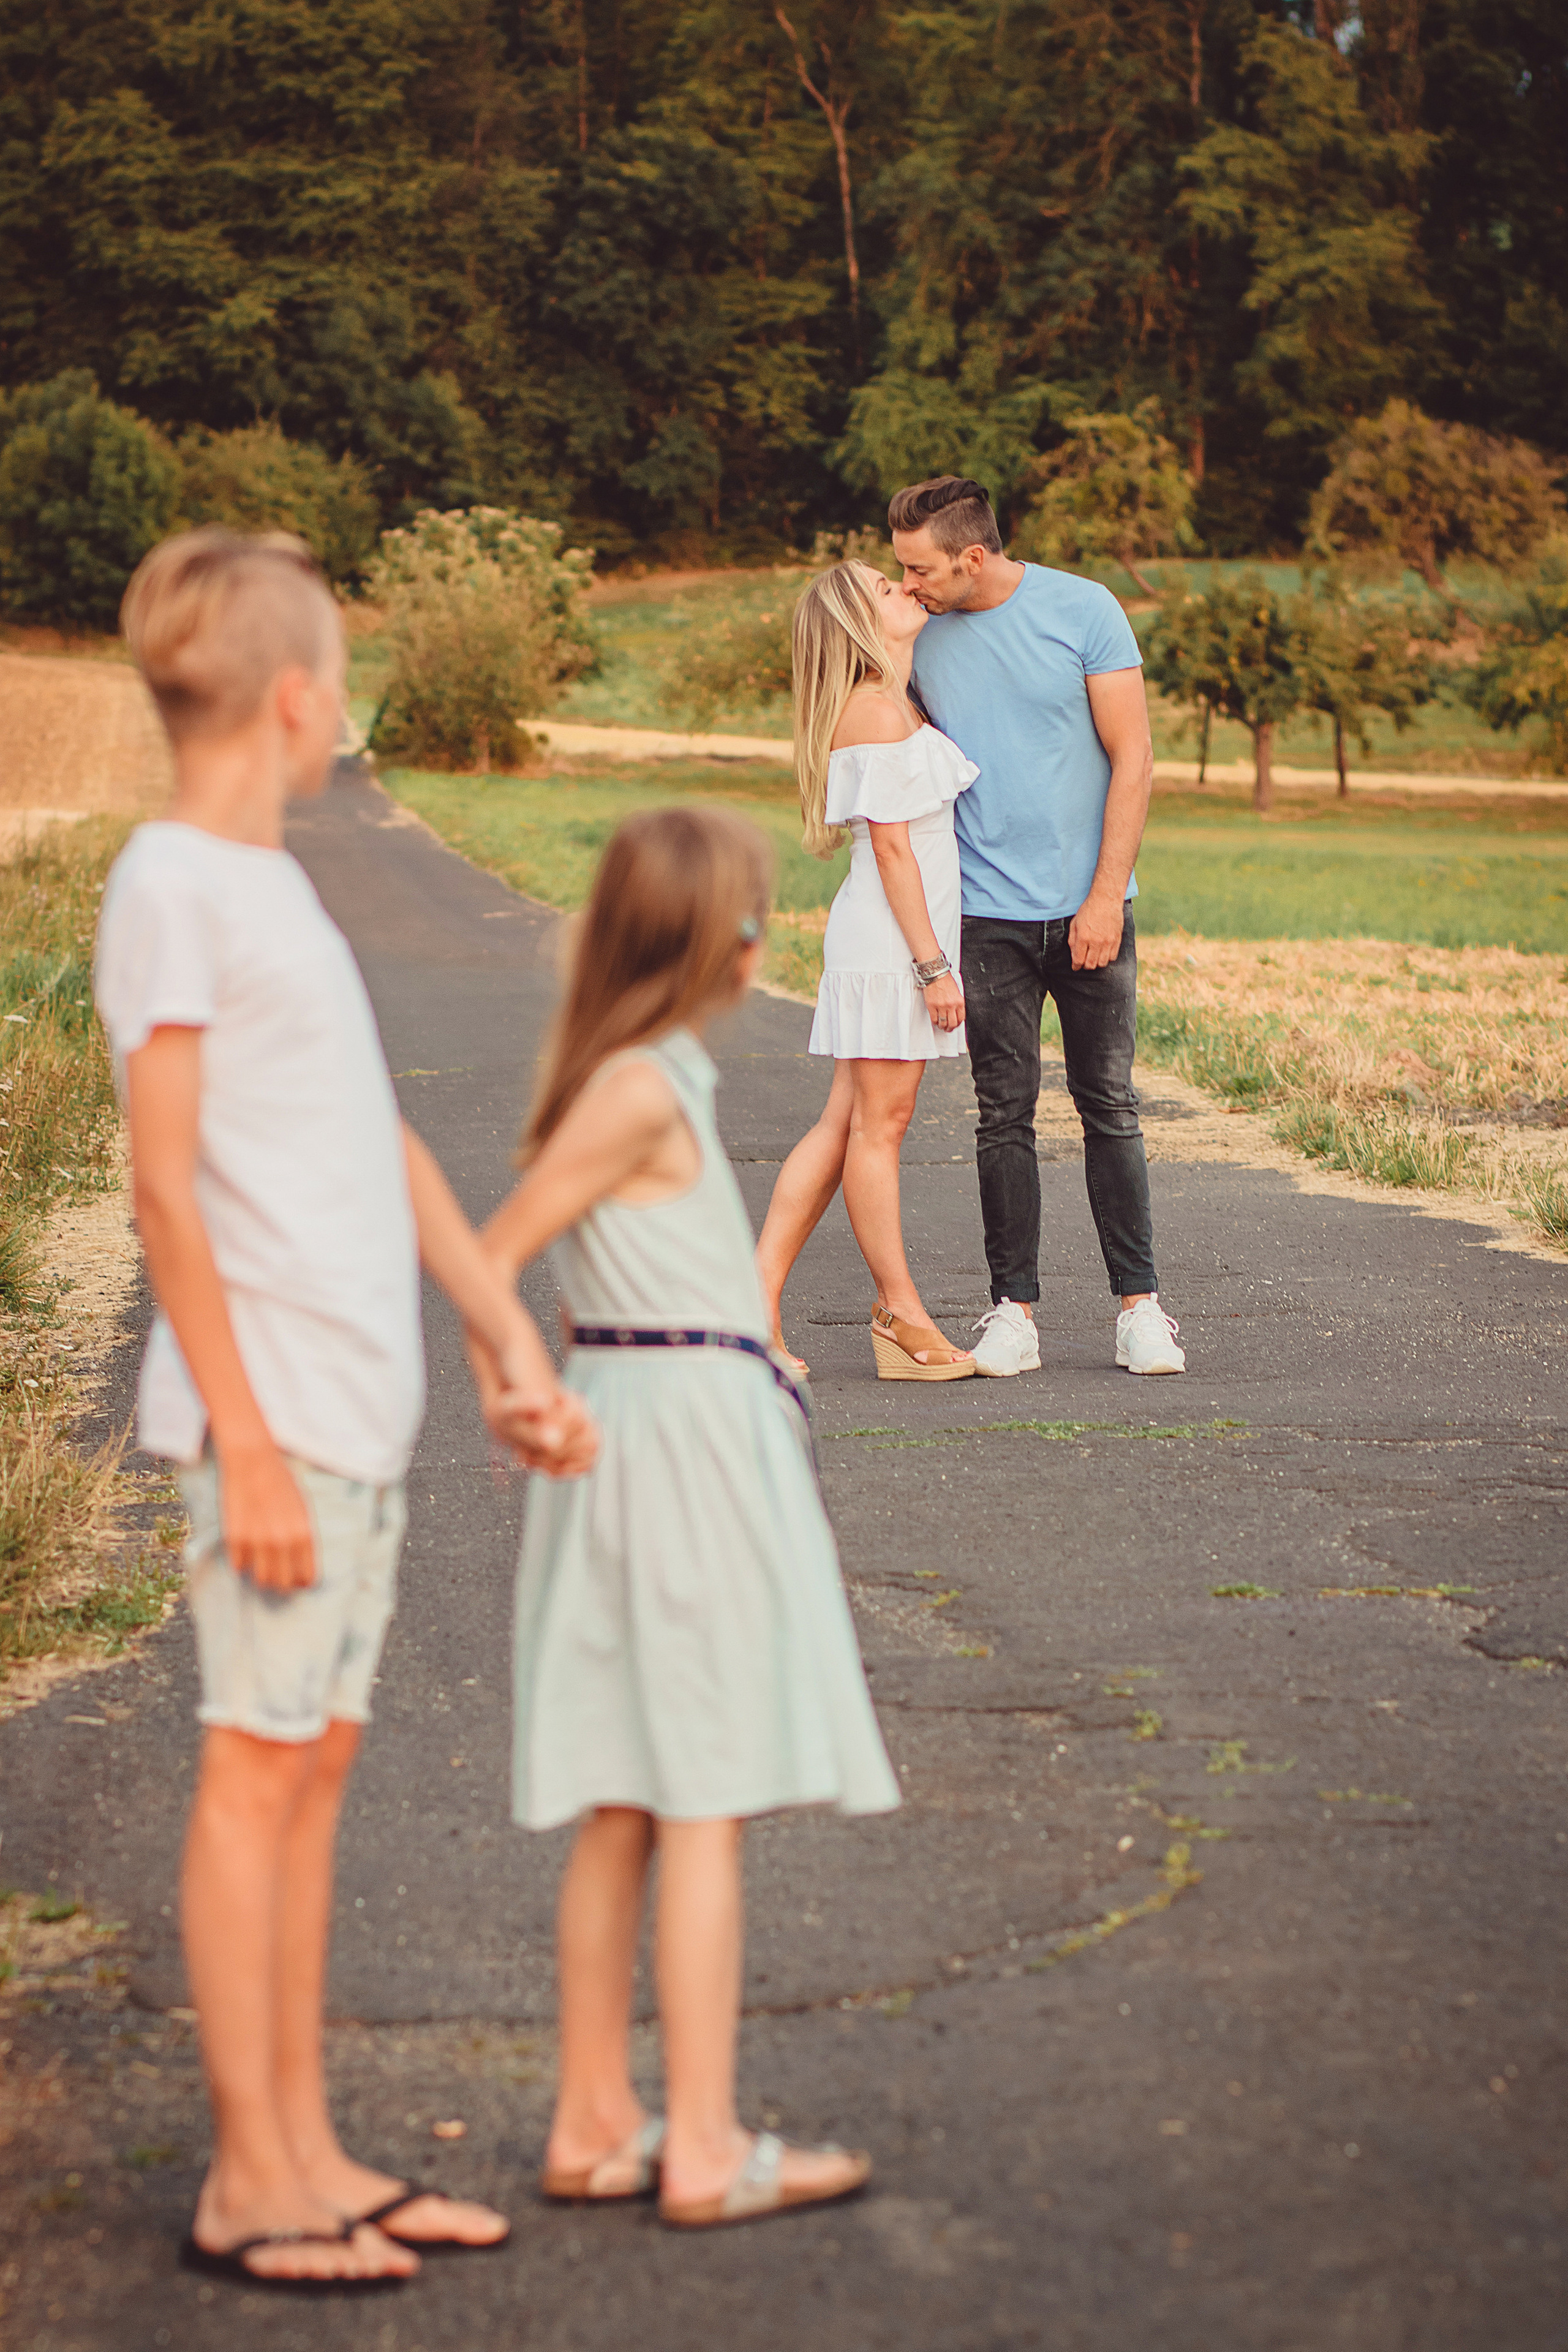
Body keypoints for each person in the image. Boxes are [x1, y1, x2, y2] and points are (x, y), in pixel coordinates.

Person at [94, 528, 598, 2291]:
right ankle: (247, 2181)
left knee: (315, 1769)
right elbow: (164, 1190)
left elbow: (368, 1137)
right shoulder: (172, 882)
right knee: (255, 1772)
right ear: (301, 702)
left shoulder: (276, 887)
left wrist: (495, 1334)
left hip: (356, 1409)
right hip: (278, 1419)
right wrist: (239, 1437)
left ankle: (306, 2151)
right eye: (346, 696)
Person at [469, 805, 901, 2230]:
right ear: (724, 948)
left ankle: (597, 2124)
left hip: (667, 1424)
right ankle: (703, 2146)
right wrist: (519, 1386)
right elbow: (494, 1255)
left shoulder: (639, 1076)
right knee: (698, 1798)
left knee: (627, 1803)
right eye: (759, 919)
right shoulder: (642, 1088)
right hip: (673, 1456)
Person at [888, 475, 1186, 1379]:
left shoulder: (1084, 608)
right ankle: (1013, 1311)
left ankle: (1140, 1311)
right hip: (983, 916)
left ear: (972, 557)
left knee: (1110, 1106)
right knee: (1001, 1117)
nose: (908, 584)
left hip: (1091, 907)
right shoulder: (916, 633)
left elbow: (1133, 756)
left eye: (920, 569)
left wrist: (1104, 897)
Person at [753, 560, 977, 1382]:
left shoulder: (887, 701)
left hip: (886, 940)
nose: (905, 589)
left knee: (847, 1123)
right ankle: (900, 1311)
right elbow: (891, 850)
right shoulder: (877, 713)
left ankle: (753, 1309)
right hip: (893, 947)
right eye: (887, 588)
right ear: (858, 623)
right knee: (879, 1128)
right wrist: (932, 968)